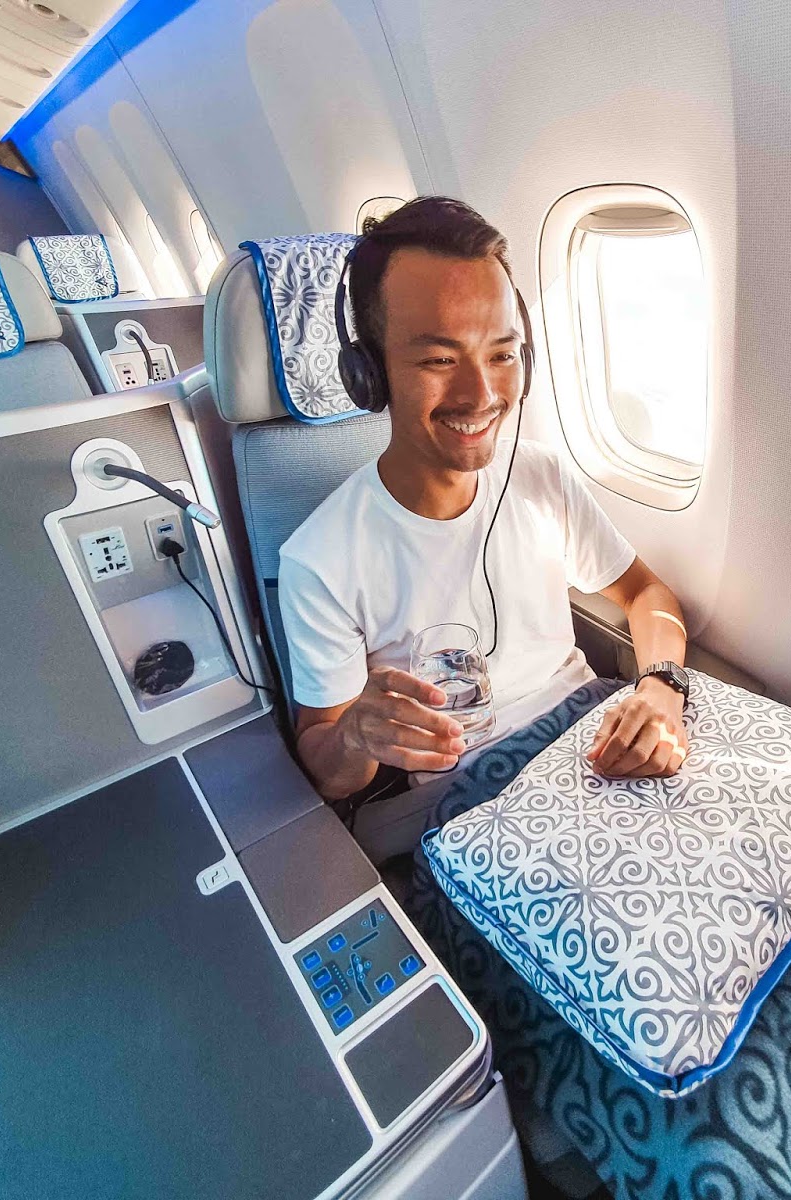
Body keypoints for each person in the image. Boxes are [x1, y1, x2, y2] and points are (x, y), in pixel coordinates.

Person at [278, 196, 692, 859]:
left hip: (594, 743)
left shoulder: (539, 475)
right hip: (474, 803)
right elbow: (328, 771)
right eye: (439, 360)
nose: (481, 394)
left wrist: (661, 690)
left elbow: (647, 595)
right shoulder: (320, 559)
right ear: (370, 374)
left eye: (502, 354)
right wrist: (356, 735)